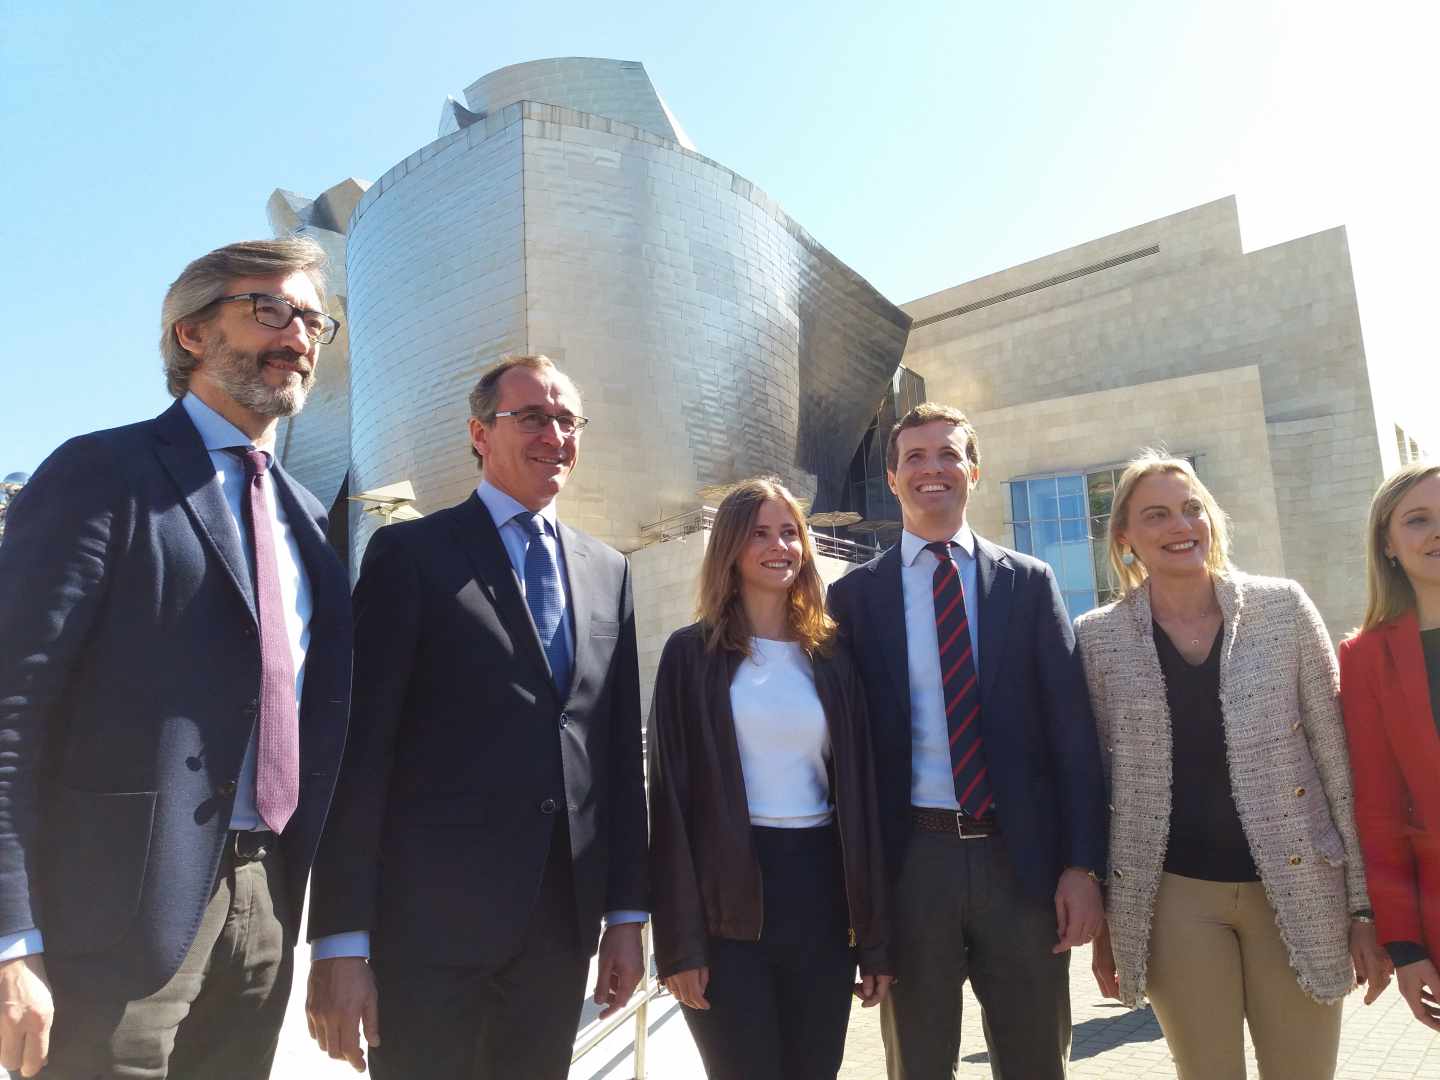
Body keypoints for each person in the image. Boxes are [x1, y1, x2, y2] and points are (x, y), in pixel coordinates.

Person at [0, 238, 353, 1078]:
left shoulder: (306, 515)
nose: (297, 334)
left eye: (312, 318)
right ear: (191, 334)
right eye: (267, 309)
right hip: (111, 921)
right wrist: (11, 935)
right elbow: (12, 708)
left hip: (266, 902)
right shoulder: (101, 473)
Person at [304, 354, 649, 1079]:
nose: (554, 433)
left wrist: (626, 915)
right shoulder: (411, 555)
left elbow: (615, 757)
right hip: (429, 937)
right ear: (479, 433)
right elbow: (360, 752)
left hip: (560, 931)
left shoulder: (607, 570)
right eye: (532, 416)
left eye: (567, 419)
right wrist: (340, 938)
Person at [1076, 450, 1391, 1080]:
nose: (1180, 525)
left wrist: (1365, 910)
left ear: (1212, 519)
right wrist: (1113, 919)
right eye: (1157, 515)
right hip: (1174, 899)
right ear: (1126, 538)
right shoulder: (1096, 638)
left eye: (1193, 509)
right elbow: (1098, 787)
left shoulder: (1284, 610)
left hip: (1300, 886)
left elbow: (1338, 763)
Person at [827, 402, 1106, 1080]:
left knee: (1036, 1059)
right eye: (915, 458)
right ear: (892, 479)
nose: (933, 469)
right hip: (912, 866)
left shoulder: (1029, 583)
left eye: (948, 454)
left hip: (1024, 868)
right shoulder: (853, 601)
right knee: (918, 1063)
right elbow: (842, 757)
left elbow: (1072, 735)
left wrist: (1082, 867)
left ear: (973, 472)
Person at [648, 478, 893, 1080]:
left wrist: (877, 941)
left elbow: (861, 800)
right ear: (730, 547)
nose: (778, 545)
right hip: (726, 902)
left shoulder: (832, 656)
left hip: (819, 895)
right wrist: (679, 945)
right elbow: (670, 805)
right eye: (759, 533)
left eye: (789, 532)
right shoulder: (690, 656)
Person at [1340, 462, 1440, 1032]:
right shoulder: (1366, 659)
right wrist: (1404, 944)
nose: (1436, 531)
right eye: (1418, 519)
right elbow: (1378, 813)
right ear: (1389, 543)